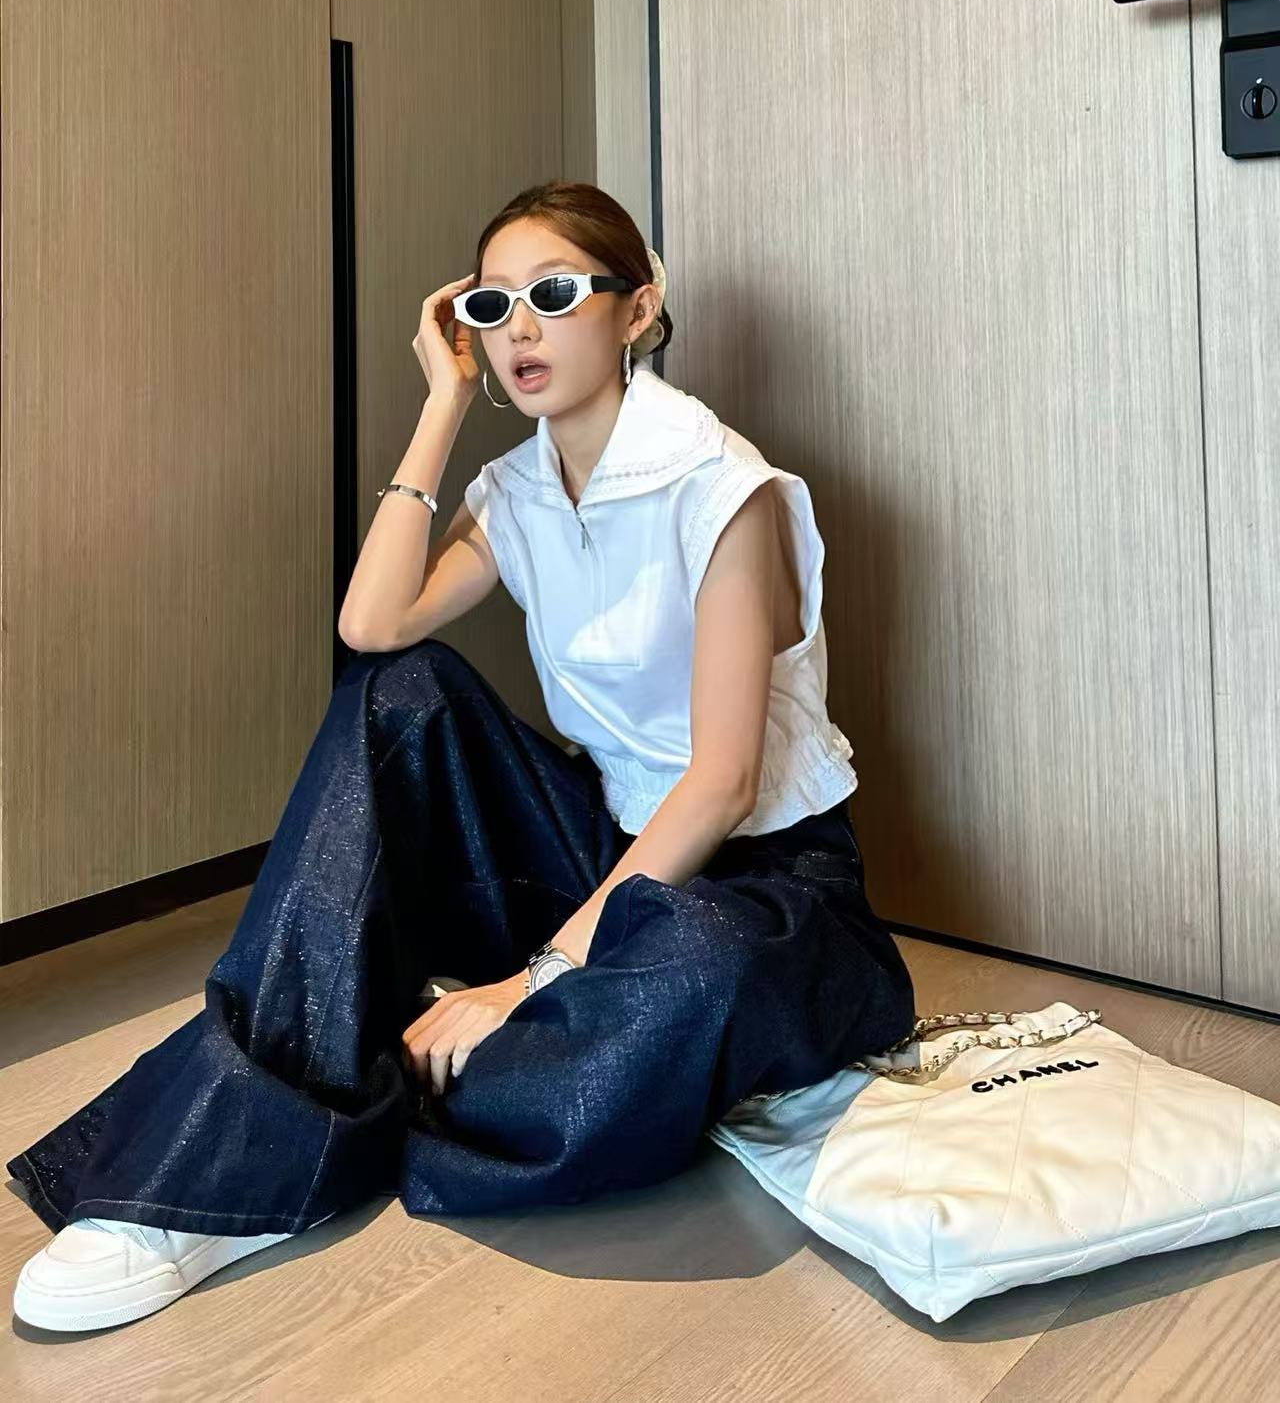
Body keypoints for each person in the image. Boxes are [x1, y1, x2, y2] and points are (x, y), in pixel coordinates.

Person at [8, 180, 916, 1332]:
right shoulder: (516, 488)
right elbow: (372, 625)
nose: (518, 328)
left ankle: (330, 1096)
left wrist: (529, 979)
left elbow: (724, 783)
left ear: (637, 310)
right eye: (492, 305)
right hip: (607, 852)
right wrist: (441, 403)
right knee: (399, 692)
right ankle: (234, 1151)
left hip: (763, 885)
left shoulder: (720, 486)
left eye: (554, 294)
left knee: (697, 967)